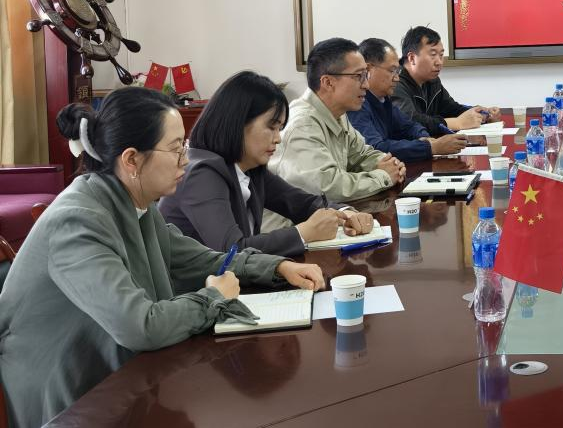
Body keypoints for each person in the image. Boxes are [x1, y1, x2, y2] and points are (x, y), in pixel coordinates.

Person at [0, 87, 324, 428]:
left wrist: (277, 266)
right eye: (175, 148)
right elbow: (139, 326)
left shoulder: (135, 203)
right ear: (131, 160)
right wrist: (213, 298)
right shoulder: (78, 220)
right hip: (68, 400)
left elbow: (201, 260)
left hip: (120, 378)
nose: (186, 159)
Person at [160, 71, 374, 257]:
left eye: (280, 129)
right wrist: (303, 233)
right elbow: (231, 251)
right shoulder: (202, 173)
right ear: (238, 122)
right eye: (271, 127)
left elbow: (301, 203)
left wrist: (345, 213)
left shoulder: (250, 168)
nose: (278, 139)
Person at [265, 39, 406, 231]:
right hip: (291, 234)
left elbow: (361, 154)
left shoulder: (337, 114)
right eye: (359, 76)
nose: (366, 84)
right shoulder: (303, 124)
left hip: (326, 224)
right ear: (328, 82)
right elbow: (327, 188)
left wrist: (388, 164)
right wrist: (383, 176)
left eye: (366, 75)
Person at [349, 38, 467, 161]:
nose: (397, 78)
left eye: (398, 71)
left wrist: (425, 138)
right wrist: (430, 147)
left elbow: (409, 126)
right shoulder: (356, 104)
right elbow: (375, 149)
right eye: (392, 71)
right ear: (368, 70)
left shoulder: (383, 100)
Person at [393, 26, 500, 133]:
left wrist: (480, 113)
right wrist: (456, 123)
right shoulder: (394, 82)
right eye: (433, 55)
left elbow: (451, 109)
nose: (439, 62)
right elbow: (409, 121)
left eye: (441, 55)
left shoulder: (433, 80)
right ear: (412, 58)